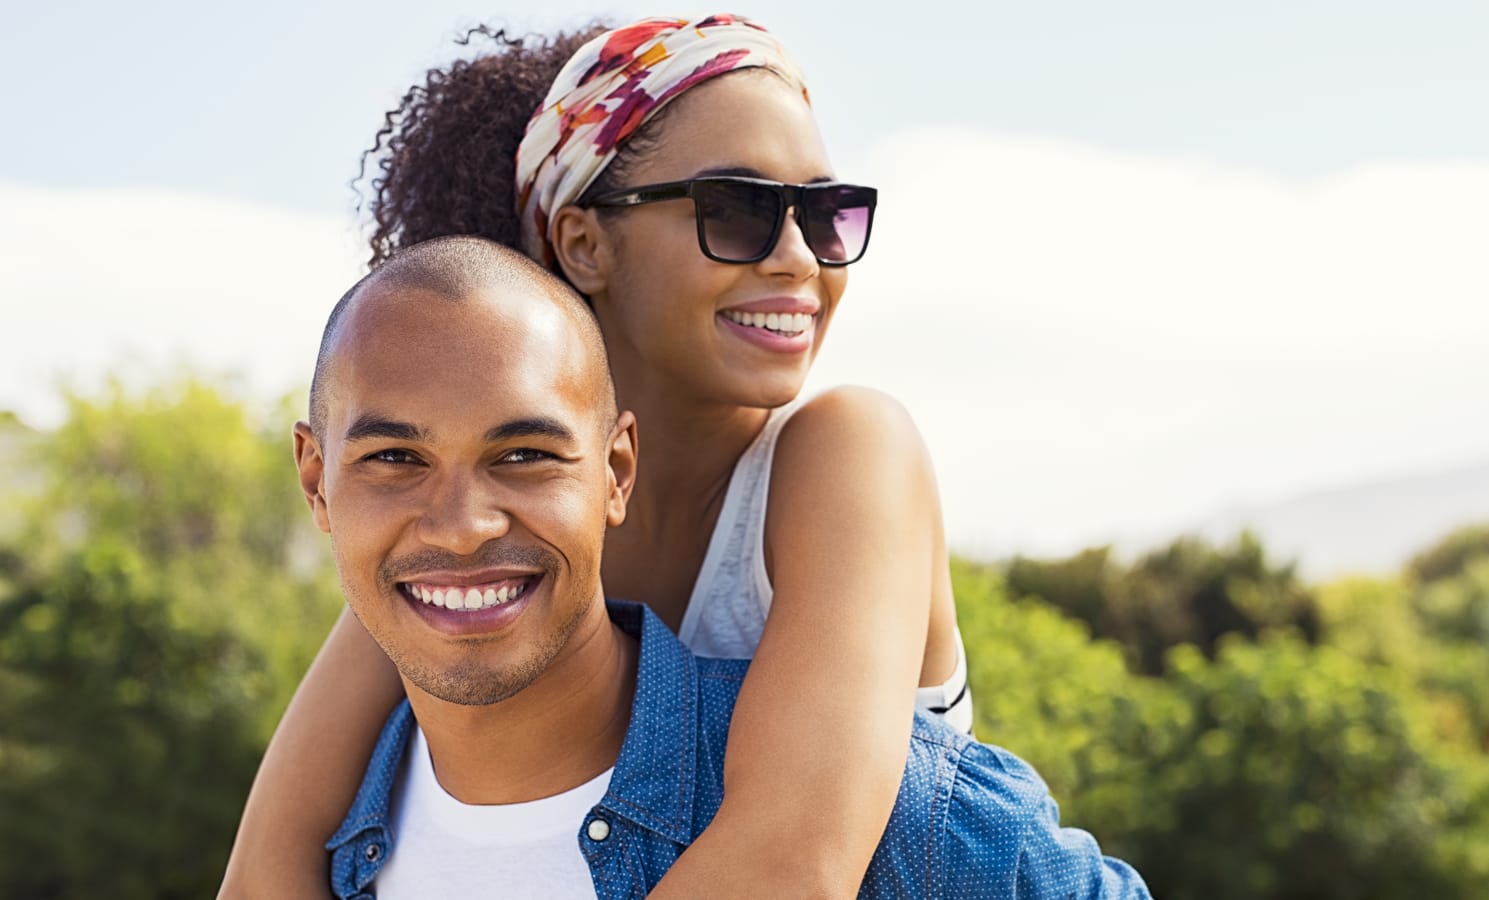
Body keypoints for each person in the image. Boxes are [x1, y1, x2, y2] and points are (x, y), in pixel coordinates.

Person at [226, 16, 993, 896]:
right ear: (582, 241)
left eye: (826, 213)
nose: (797, 259)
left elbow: (791, 865)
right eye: (737, 209)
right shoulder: (466, 534)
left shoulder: (847, 453)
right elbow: (267, 870)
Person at [303, 235, 1148, 899]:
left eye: (524, 454)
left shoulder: (910, 822)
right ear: (317, 482)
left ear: (617, 471)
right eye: (394, 459)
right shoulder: (325, 844)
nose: (461, 528)